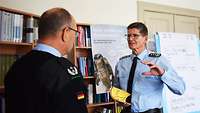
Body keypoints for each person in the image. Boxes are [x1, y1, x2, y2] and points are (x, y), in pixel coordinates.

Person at [4, 8, 88, 113]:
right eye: (75, 33)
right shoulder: (66, 72)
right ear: (65, 32)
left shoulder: (16, 67)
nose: (74, 38)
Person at [113, 22, 186, 113]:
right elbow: (116, 88)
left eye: (135, 35)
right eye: (128, 36)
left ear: (145, 39)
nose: (130, 39)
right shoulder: (121, 63)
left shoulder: (157, 60)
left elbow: (180, 89)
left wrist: (163, 74)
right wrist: (119, 98)